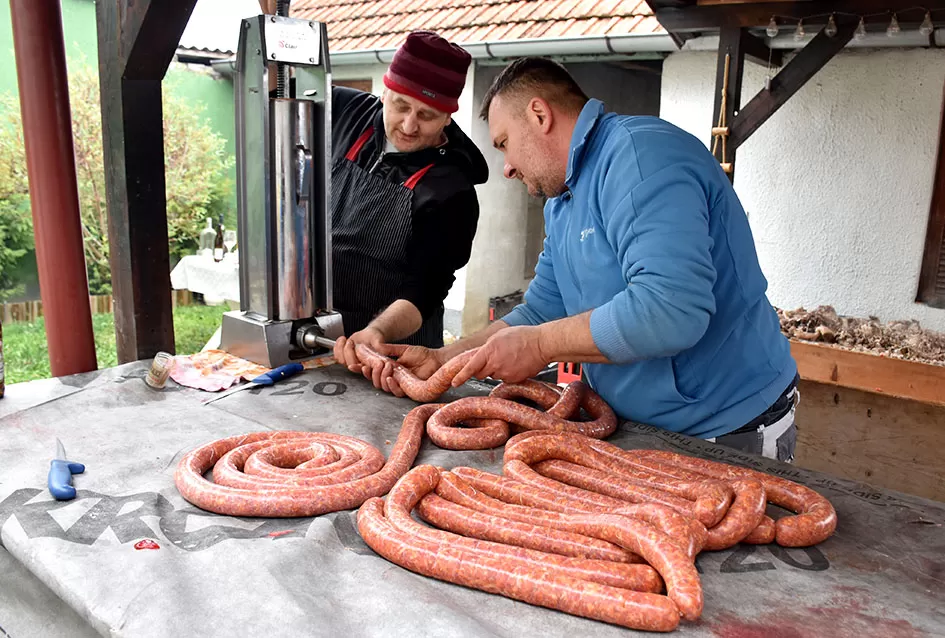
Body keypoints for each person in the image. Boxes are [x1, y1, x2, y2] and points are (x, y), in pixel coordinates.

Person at [365, 57, 800, 463]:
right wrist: (446, 360)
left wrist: (538, 346)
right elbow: (542, 309)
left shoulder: (642, 157)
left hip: (728, 427)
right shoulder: (563, 198)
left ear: (539, 115)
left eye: (504, 144)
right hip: (642, 428)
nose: (507, 168)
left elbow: (672, 310)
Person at [256, 4, 488, 370]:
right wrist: (271, 25)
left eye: (426, 115)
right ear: (385, 90)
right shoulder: (343, 111)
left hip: (394, 353)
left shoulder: (452, 190)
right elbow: (277, 98)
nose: (409, 125)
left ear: (448, 116)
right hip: (314, 333)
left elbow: (423, 291)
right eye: (401, 106)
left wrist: (375, 332)